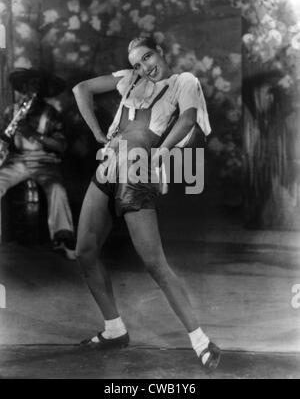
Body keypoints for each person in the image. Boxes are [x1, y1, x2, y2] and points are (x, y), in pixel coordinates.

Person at [72, 37, 221, 370]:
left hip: (138, 170)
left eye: (148, 56)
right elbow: (81, 89)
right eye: (138, 62)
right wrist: (98, 134)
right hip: (108, 165)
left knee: (155, 263)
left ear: (161, 52)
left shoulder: (184, 82)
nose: (144, 66)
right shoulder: (128, 78)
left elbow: (187, 121)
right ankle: (114, 329)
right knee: (84, 251)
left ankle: (201, 341)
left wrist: (159, 154)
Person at [0, 68, 76, 260]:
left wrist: (34, 134)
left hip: (44, 162)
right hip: (17, 160)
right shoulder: (12, 111)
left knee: (57, 188)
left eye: (36, 84)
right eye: (28, 84)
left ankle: (63, 238)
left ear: (42, 89)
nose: (32, 88)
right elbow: (4, 136)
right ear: (23, 87)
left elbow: (60, 145)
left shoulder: (52, 114)